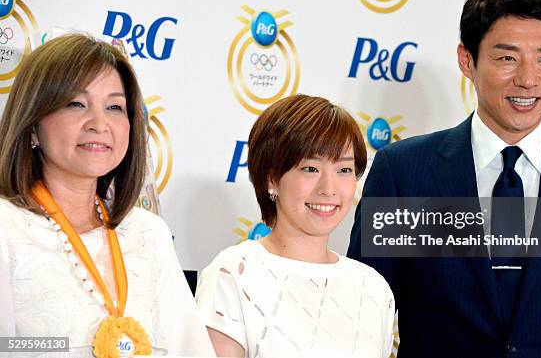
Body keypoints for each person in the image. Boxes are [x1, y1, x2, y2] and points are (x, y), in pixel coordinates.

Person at [348, 0, 541, 357]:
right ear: (467, 60)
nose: (528, 79)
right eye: (507, 57)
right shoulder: (404, 173)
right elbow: (362, 321)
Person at [0, 34, 214, 357]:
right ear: (33, 125)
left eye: (115, 107)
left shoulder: (149, 233)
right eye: (76, 104)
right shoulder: (7, 227)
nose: (99, 124)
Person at [195, 95, 395, 358]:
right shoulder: (233, 274)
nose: (329, 188)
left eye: (344, 170)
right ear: (271, 179)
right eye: (311, 168)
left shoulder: (372, 288)